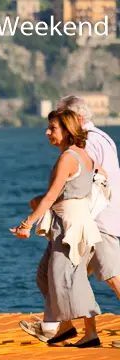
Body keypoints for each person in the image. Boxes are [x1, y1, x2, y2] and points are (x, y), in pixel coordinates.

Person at [20, 95, 120, 343]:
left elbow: (89, 180)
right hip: (81, 222)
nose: (50, 129)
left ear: (73, 120)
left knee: (112, 276)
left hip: (94, 222)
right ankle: (64, 325)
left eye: (58, 119)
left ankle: (83, 331)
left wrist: (36, 213)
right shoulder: (101, 139)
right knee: (49, 276)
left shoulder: (89, 144)